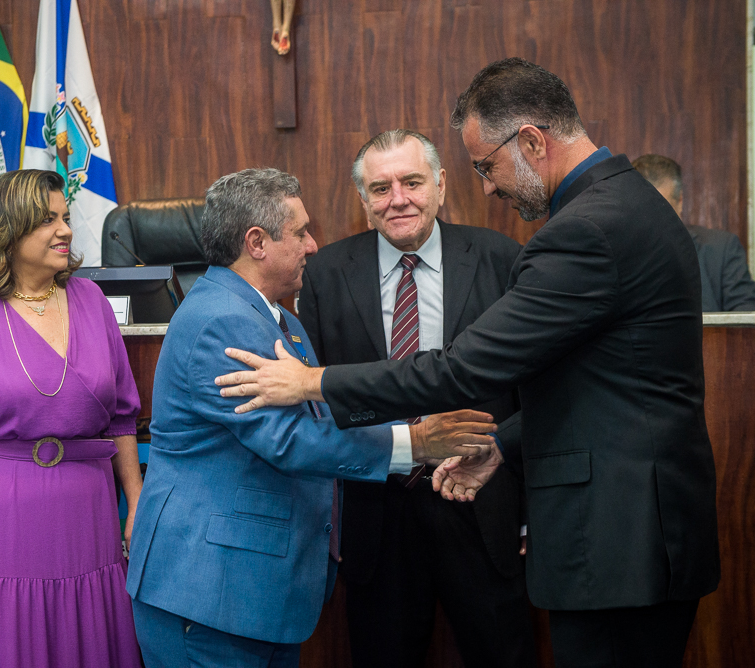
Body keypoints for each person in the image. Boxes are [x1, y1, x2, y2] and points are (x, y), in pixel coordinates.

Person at [217, 59, 721, 668]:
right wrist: (503, 445)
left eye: (486, 165)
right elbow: (591, 385)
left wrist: (311, 381)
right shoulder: (626, 204)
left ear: (532, 141)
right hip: (633, 533)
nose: (488, 187)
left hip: (621, 538)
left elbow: (460, 371)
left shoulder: (586, 229)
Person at [127, 167, 498, 668]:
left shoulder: (282, 319)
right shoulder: (221, 319)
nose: (314, 245)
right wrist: (417, 442)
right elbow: (289, 440)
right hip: (211, 590)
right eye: (300, 231)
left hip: (259, 590)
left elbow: (322, 413)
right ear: (256, 242)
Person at [299, 129, 533, 667]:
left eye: (411, 182)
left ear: (442, 185)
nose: (397, 199)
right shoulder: (325, 274)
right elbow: (318, 400)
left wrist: (529, 514)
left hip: (483, 504)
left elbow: (533, 392)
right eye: (380, 189)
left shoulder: (501, 259)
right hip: (376, 513)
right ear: (363, 201)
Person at [0, 169, 143, 667]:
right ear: (8, 231)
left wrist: (136, 505)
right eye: (47, 221)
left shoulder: (91, 301)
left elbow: (122, 417)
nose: (66, 230)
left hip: (88, 517)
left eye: (65, 217)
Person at [632, 153, 755, 312]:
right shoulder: (615, 251)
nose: (653, 218)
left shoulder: (722, 250)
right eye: (644, 208)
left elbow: (744, 321)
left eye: (662, 208)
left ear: (680, 202)